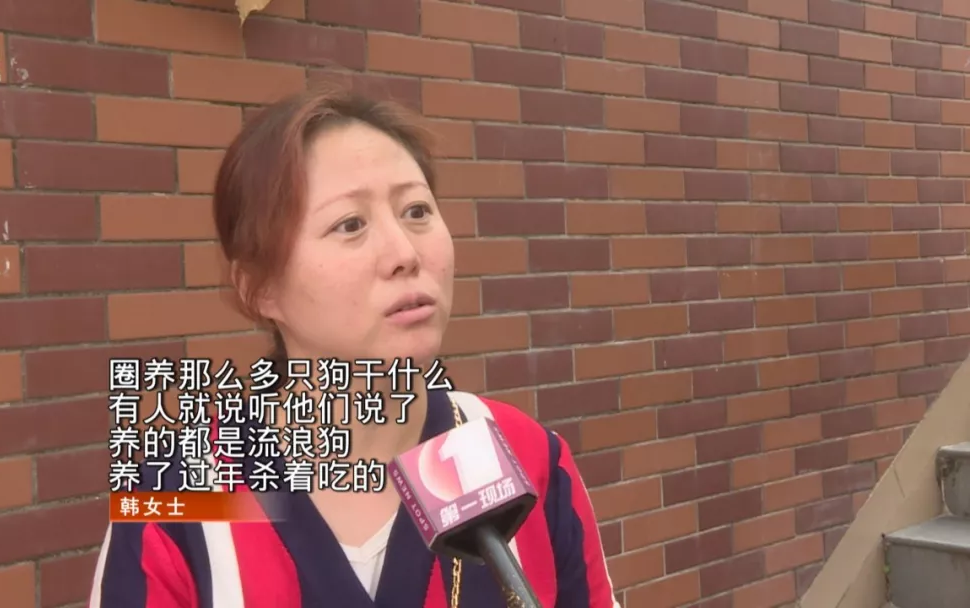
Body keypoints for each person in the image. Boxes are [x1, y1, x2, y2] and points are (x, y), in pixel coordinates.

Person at [88, 87, 618, 608]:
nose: (404, 252)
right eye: (350, 224)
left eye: (417, 211)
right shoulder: (179, 501)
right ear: (260, 289)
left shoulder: (530, 459)